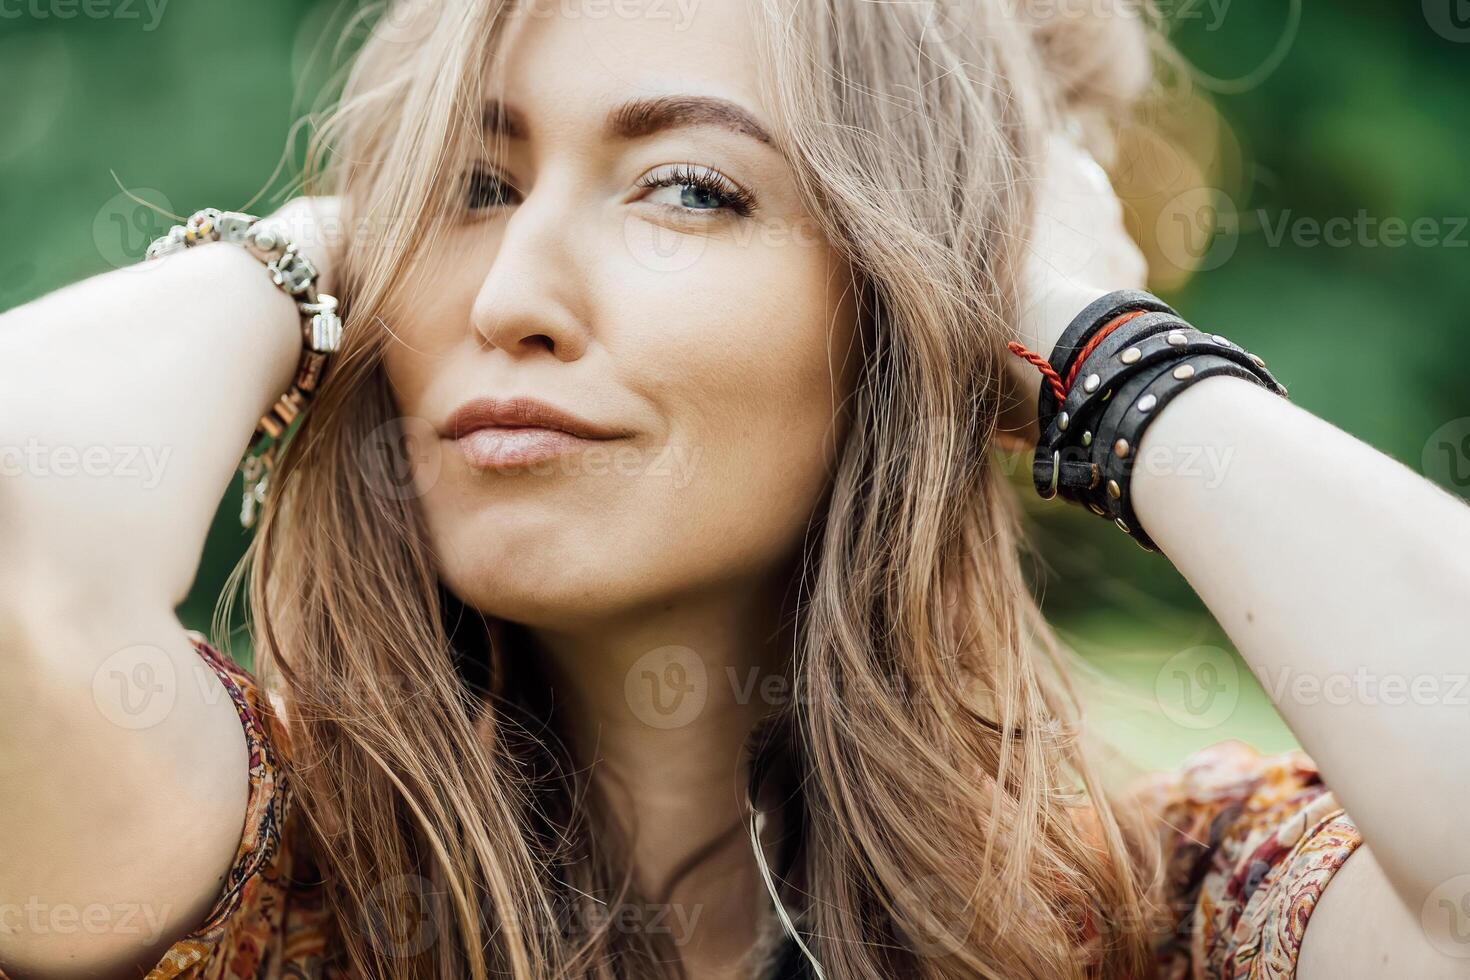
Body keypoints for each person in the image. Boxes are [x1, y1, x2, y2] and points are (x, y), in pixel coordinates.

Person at [2, 0, 1467, 977]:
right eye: (474, 187)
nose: (512, 295)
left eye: (690, 188)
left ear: (911, 303)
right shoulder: (267, 879)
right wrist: (316, 245)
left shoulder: (1153, 922)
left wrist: (1079, 332)